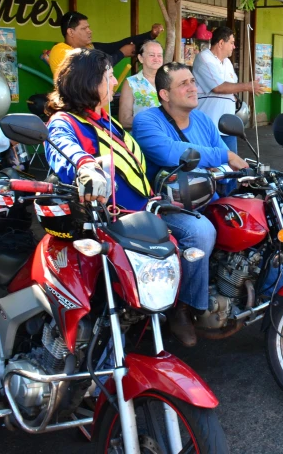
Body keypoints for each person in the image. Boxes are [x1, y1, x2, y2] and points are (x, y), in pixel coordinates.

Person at [43, 50, 210, 348]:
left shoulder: (108, 122)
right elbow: (61, 147)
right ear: (88, 81)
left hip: (146, 212)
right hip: (109, 221)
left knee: (202, 228)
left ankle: (181, 306)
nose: (114, 83)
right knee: (197, 231)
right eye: (108, 77)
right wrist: (84, 165)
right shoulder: (64, 121)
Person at [132, 62, 250, 346]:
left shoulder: (204, 122)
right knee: (201, 233)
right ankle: (183, 307)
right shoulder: (147, 121)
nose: (192, 88)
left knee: (251, 217)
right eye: (183, 84)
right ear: (164, 94)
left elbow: (221, 166)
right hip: (166, 206)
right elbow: (169, 151)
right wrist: (223, 155)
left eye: (193, 82)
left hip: (207, 197)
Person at [192, 26, 266, 153]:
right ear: (221, 43)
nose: (234, 46)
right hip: (208, 127)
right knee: (209, 167)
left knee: (232, 168)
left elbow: (231, 86)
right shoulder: (204, 58)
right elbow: (218, 87)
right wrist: (248, 86)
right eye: (231, 42)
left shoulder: (227, 63)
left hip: (228, 127)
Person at [47, 10, 164, 76]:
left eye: (89, 27)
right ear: (70, 32)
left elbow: (118, 45)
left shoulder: (89, 47)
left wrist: (150, 35)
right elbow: (94, 67)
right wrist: (122, 53)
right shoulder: (60, 50)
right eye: (84, 28)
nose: (89, 31)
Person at [118, 40, 163, 129]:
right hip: (144, 136)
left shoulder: (170, 80)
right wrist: (153, 123)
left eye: (159, 55)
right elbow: (124, 120)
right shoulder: (131, 83)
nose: (156, 58)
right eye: (151, 55)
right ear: (140, 58)